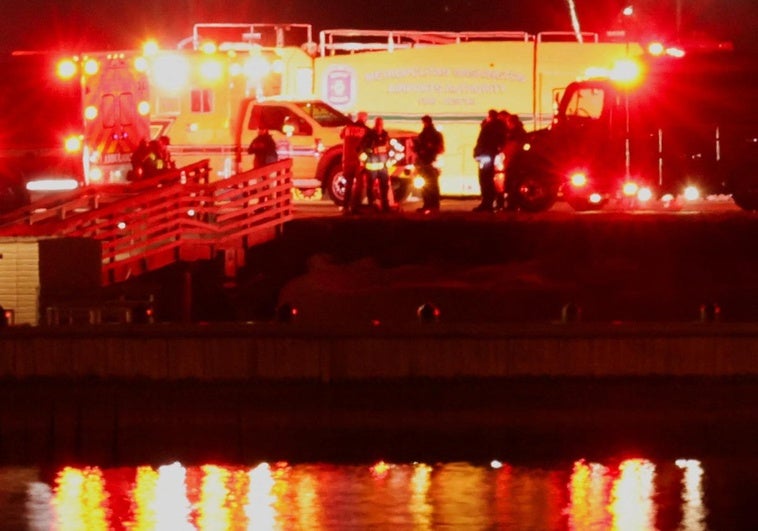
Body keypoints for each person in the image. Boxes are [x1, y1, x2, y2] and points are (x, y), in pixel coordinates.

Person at [472, 109, 507, 212]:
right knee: (490, 180)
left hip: (486, 156)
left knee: (485, 179)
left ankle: (487, 203)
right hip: (489, 155)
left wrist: (478, 153)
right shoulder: (500, 127)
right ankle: (491, 202)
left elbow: (483, 141)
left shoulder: (490, 127)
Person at [413, 115, 445, 213]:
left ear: (428, 122)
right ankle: (429, 204)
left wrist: (428, 149)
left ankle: (432, 205)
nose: (423, 124)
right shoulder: (425, 134)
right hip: (425, 162)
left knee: (431, 185)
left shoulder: (433, 134)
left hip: (429, 162)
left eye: (424, 122)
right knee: (427, 184)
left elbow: (440, 148)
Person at [339, 111, 370, 214]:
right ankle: (355, 207)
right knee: (359, 185)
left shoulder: (347, 128)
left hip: (347, 159)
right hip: (358, 161)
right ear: (365, 119)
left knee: (348, 184)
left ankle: (345, 207)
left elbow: (341, 136)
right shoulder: (365, 130)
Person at [360, 116, 392, 212]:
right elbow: (361, 148)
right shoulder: (369, 135)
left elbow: (389, 149)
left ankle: (385, 205)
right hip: (372, 166)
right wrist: (369, 153)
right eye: (378, 124)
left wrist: (389, 160)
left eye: (381, 124)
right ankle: (371, 205)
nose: (379, 126)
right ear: (375, 124)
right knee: (370, 187)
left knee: (384, 186)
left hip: (383, 167)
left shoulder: (385, 135)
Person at [499, 112, 527, 211]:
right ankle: (513, 204)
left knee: (512, 184)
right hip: (514, 162)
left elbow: (512, 148)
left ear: (512, 122)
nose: (508, 124)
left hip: (514, 162)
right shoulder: (520, 132)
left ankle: (512, 205)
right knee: (513, 183)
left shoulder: (515, 133)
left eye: (508, 122)